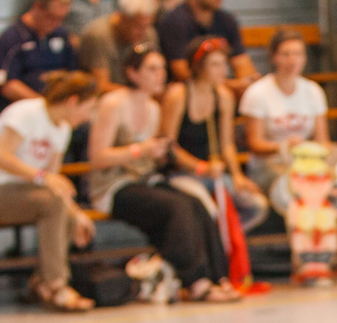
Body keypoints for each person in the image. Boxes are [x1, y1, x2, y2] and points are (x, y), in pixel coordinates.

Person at [89, 45, 240, 302]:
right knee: (176, 207)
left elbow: (153, 156)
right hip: (114, 185)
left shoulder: (153, 108)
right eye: (152, 69)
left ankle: (219, 277)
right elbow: (98, 157)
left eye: (161, 68)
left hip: (145, 180)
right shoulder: (113, 104)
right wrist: (140, 150)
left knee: (196, 203)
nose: (160, 74)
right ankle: (197, 282)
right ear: (132, 72)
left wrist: (162, 154)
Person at [241, 28, 337, 283]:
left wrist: (330, 154)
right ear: (273, 57)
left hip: (308, 164)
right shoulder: (258, 93)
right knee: (305, 191)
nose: (292, 60)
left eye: (298, 54)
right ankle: (307, 264)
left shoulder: (312, 91)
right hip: (272, 166)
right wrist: (283, 146)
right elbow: (254, 143)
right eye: (286, 54)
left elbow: (321, 140)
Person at [0, 71, 101, 312]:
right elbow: (1, 157)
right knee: (53, 204)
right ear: (73, 101)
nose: (88, 117)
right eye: (88, 108)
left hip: (29, 192)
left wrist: (77, 215)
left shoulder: (62, 128)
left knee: (64, 209)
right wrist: (41, 176)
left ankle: (42, 282)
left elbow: (55, 185)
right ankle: (56, 285)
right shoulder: (27, 113)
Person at [162, 36, 268, 232]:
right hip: (180, 174)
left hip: (214, 173)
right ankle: (211, 242)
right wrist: (200, 167)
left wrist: (237, 175)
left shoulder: (223, 96)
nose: (223, 70)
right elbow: (168, 147)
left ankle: (220, 241)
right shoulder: (178, 95)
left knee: (256, 206)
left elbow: (226, 144)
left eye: (224, 64)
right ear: (198, 66)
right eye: (215, 64)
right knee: (207, 210)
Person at [157, 0, 255, 90]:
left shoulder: (227, 20)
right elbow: (181, 73)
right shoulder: (175, 21)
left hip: (222, 86)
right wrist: (232, 85)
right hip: (189, 90)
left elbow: (242, 63)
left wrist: (247, 83)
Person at [78, 0, 160, 92]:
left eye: (148, 25)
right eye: (138, 26)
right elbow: (100, 86)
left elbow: (157, 77)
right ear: (122, 19)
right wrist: (138, 93)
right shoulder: (98, 36)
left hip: (137, 93)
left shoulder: (148, 34)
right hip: (104, 97)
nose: (143, 32)